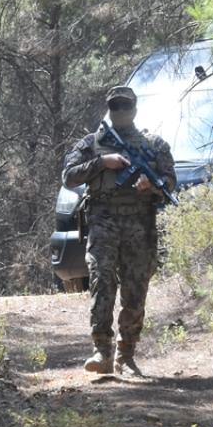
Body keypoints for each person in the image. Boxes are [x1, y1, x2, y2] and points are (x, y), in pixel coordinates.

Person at [61, 86, 176, 376]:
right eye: (116, 106)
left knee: (136, 290)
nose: (121, 111)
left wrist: (152, 186)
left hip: (140, 225)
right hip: (103, 222)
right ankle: (102, 350)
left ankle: (126, 355)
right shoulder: (92, 143)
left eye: (126, 106)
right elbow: (69, 176)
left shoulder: (154, 144)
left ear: (135, 109)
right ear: (109, 110)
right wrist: (102, 162)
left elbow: (170, 181)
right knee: (102, 281)